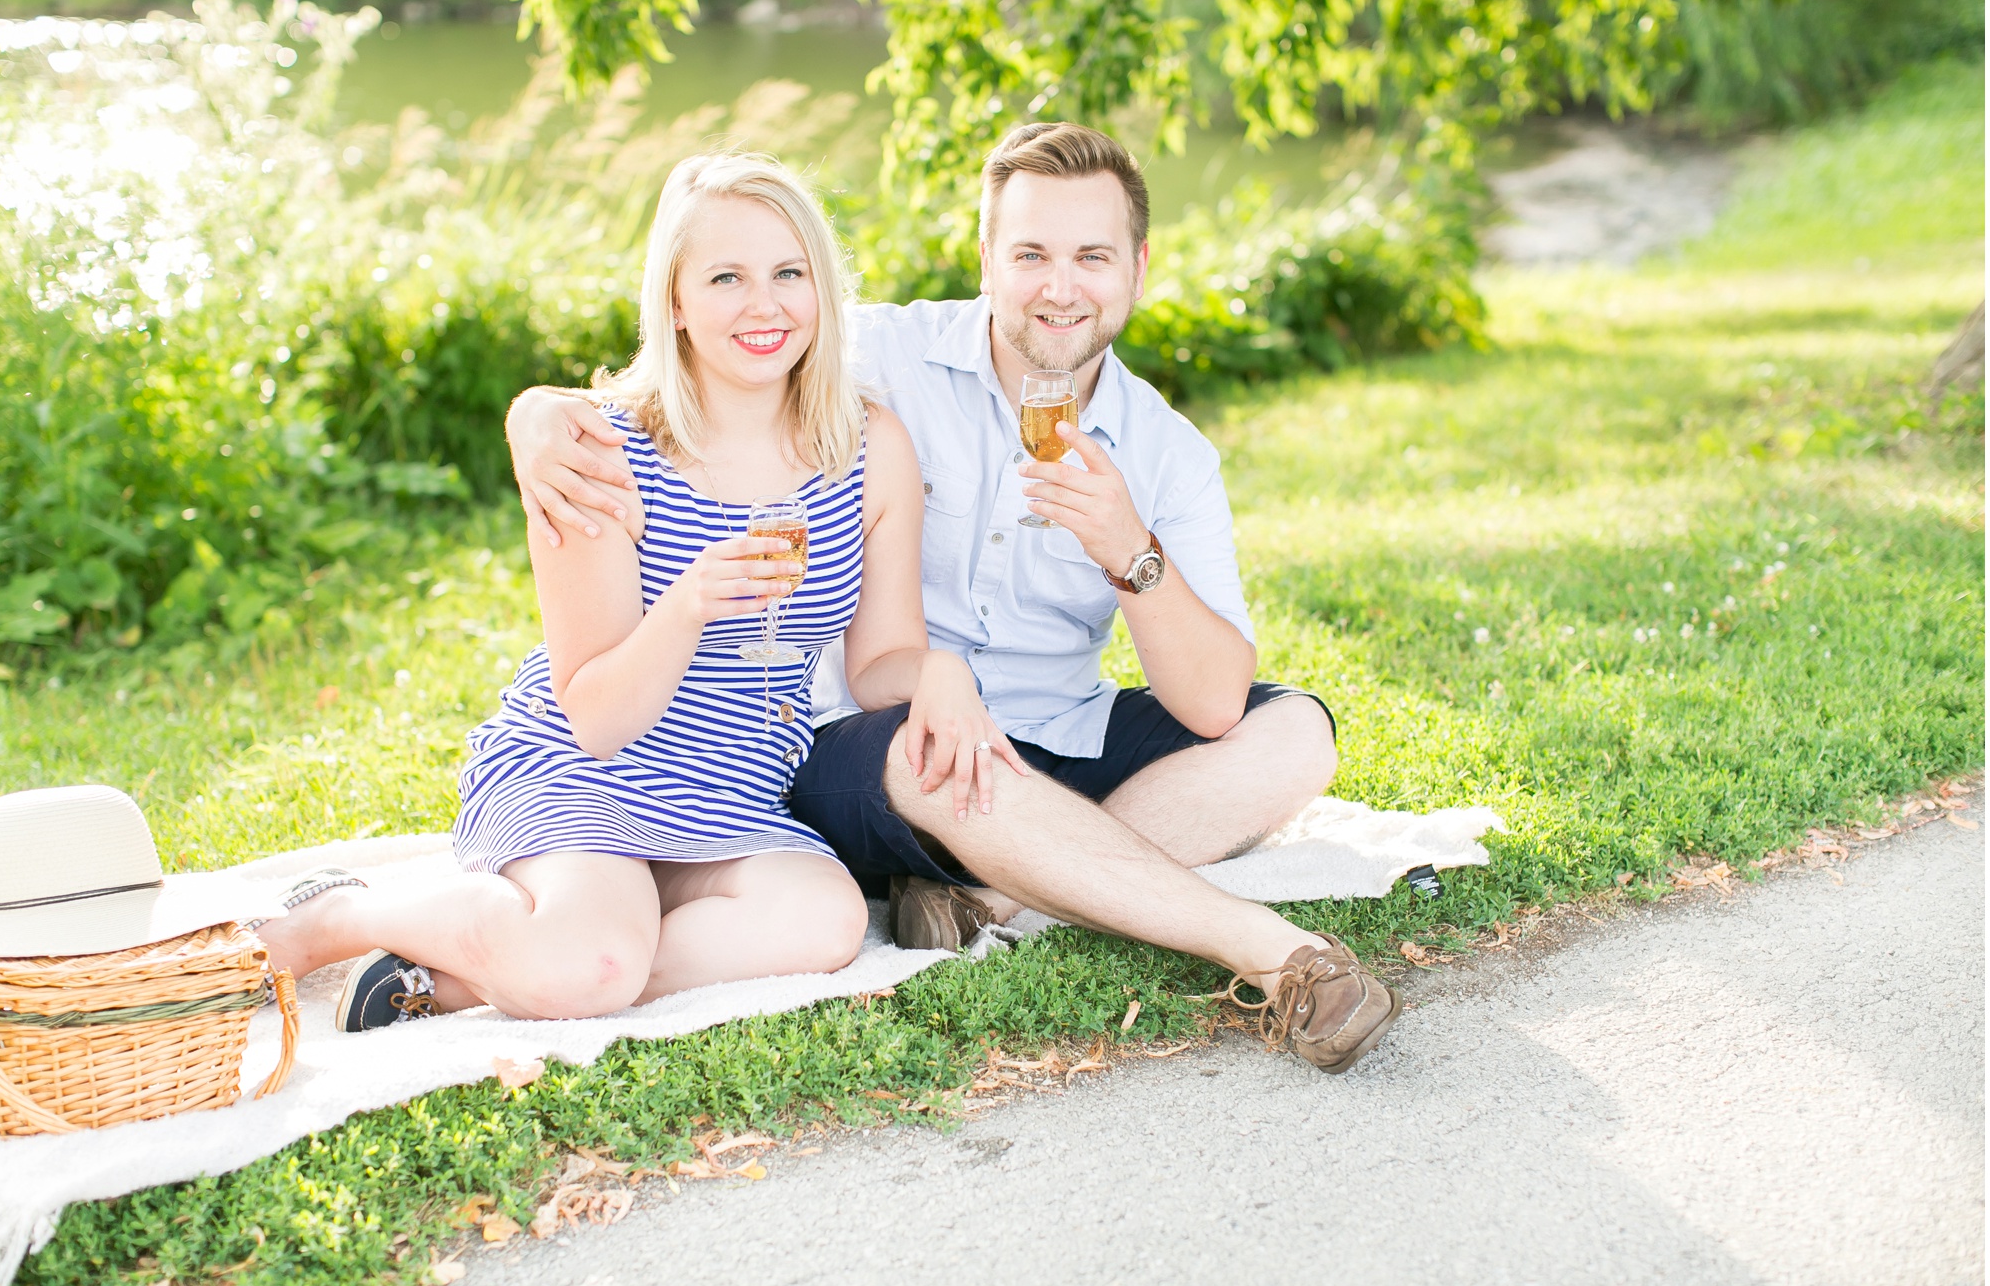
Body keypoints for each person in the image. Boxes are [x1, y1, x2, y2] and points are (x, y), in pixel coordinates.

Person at [504, 124, 1399, 1073]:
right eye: (1031, 255)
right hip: (880, 737)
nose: (1061, 287)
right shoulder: (877, 356)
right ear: (987, 260)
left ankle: (994, 897)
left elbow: (1214, 701)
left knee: (1296, 733)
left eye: (1091, 256)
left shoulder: (1167, 451)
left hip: (1054, 735)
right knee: (937, 753)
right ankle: (1268, 948)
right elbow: (707, 367)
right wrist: (535, 416)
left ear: (1137, 268)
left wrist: (1129, 550)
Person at [257, 152, 1022, 1032]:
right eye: (726, 276)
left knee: (828, 919)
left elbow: (882, 656)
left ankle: (474, 976)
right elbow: (597, 718)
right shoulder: (600, 451)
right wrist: (692, 602)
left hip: (733, 790)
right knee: (596, 961)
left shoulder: (868, 444)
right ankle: (342, 916)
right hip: (587, 777)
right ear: (675, 301)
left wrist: (941, 676)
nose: (764, 305)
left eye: (789, 273)